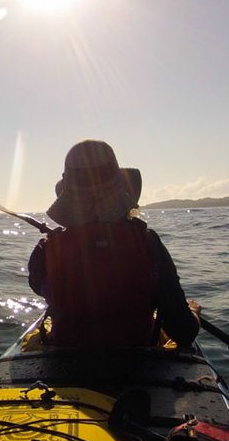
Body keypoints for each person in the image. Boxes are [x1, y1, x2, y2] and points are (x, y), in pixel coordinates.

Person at [27, 139, 201, 348]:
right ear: (120, 188)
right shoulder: (147, 243)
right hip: (137, 365)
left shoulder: (45, 249)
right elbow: (184, 332)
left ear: (66, 191)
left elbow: (40, 288)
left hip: (65, 362)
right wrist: (192, 311)